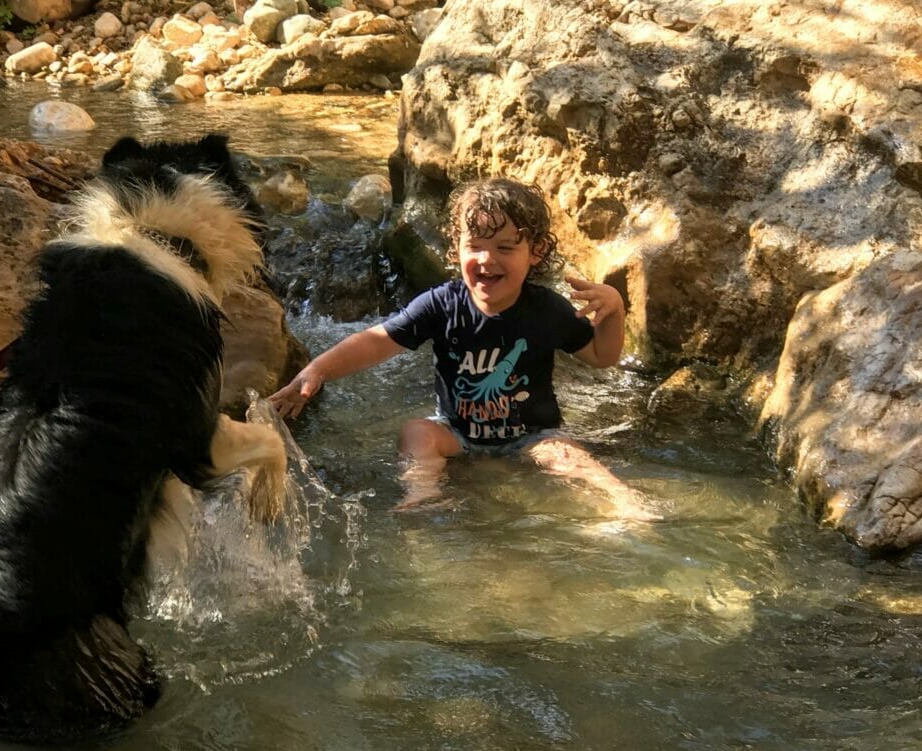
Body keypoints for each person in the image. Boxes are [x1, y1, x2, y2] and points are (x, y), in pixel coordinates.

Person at [270, 178, 658, 521]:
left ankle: (624, 502)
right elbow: (376, 341)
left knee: (565, 453)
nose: (487, 259)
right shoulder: (441, 304)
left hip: (532, 435)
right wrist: (316, 371)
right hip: (457, 433)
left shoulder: (546, 308)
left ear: (535, 252)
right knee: (416, 433)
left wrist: (615, 311)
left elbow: (602, 357)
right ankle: (423, 494)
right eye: (475, 246)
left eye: (506, 247)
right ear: (456, 248)